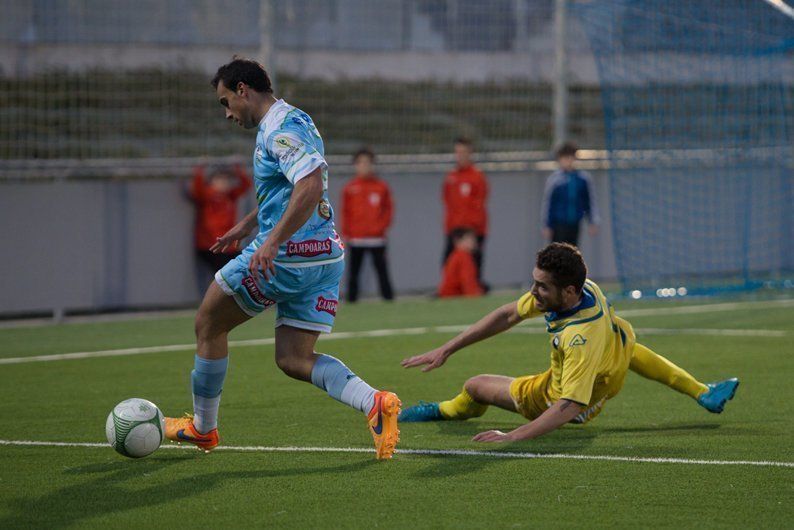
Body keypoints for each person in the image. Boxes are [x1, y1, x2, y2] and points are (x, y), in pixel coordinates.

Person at [164, 57, 401, 460]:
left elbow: (309, 186)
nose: (227, 114)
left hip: (287, 259)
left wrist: (271, 241)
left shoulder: (278, 130)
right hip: (325, 257)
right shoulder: (298, 119)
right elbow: (294, 185)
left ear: (243, 90)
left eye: (225, 102)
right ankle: (374, 403)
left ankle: (203, 429)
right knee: (293, 358)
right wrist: (251, 224)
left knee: (208, 323)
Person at [399, 243, 739, 443]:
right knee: (624, 343)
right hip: (615, 357)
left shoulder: (578, 337)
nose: (534, 292)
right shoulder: (585, 288)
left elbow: (568, 406)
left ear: (569, 290)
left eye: (542, 287)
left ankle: (442, 410)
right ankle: (702, 392)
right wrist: (448, 348)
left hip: (564, 400)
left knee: (474, 386)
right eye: (535, 283)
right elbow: (506, 315)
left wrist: (512, 437)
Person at [340, 147, 395, 302]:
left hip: (377, 238)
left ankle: (389, 300)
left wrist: (381, 227)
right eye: (361, 163)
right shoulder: (350, 188)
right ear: (355, 165)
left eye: (367, 163)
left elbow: (388, 210)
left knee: (382, 271)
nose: (364, 166)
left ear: (372, 165)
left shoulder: (381, 187)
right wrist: (348, 232)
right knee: (354, 273)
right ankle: (352, 302)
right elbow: (345, 212)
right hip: (356, 238)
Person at [188, 163, 252, 291]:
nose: (224, 183)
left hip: (229, 245)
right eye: (220, 180)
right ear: (211, 182)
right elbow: (197, 187)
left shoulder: (230, 196)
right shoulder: (207, 195)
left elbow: (246, 185)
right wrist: (200, 167)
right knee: (224, 275)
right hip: (210, 245)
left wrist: (237, 168)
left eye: (226, 180)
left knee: (244, 267)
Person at [443, 137, 488, 284]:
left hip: (473, 231)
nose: (460, 156)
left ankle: (473, 293)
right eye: (457, 152)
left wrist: (471, 232)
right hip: (454, 230)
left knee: (473, 268)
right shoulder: (451, 176)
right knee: (448, 263)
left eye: (463, 152)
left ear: (470, 153)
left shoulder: (477, 177)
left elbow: (479, 204)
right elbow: (447, 201)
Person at [541, 142, 600, 245]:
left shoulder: (582, 178)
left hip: (574, 224)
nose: (567, 161)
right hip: (558, 225)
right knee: (558, 254)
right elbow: (548, 204)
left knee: (572, 253)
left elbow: (589, 201)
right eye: (564, 157)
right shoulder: (554, 180)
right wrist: (547, 225)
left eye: (569, 157)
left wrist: (592, 221)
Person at [438, 228, 484, 298]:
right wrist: (474, 294)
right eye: (469, 239)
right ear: (458, 241)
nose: (473, 242)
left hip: (447, 294)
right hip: (453, 295)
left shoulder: (455, 255)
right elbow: (467, 280)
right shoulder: (463, 256)